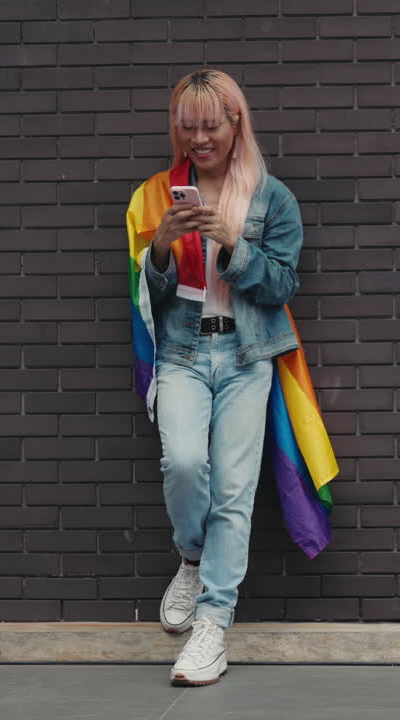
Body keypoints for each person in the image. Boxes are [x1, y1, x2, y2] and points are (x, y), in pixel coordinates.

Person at [125, 68, 305, 687]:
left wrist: (234, 245)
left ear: (235, 123)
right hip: (180, 352)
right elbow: (148, 296)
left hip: (247, 357)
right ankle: (193, 556)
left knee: (234, 489)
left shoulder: (271, 197)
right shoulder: (159, 194)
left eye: (211, 126)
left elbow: (283, 285)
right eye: (188, 127)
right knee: (181, 462)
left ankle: (212, 624)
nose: (200, 139)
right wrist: (159, 253)